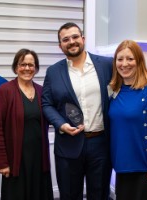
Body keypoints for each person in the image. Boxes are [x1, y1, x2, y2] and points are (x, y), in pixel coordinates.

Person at [42, 22, 113, 200]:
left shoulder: (107, 65)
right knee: (69, 195)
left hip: (101, 144)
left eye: (75, 37)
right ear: (60, 46)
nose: (71, 42)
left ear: (83, 39)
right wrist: (61, 124)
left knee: (99, 195)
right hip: (68, 145)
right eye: (65, 39)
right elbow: (46, 104)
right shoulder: (53, 72)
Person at [0, 48, 54, 200]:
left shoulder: (41, 91)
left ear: (36, 68)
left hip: (39, 159)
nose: (27, 68)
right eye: (23, 64)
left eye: (31, 65)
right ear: (16, 67)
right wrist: (2, 162)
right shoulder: (5, 91)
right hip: (15, 160)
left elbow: (52, 115)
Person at [108, 40, 147, 200]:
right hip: (121, 166)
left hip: (143, 168)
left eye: (130, 59)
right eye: (120, 59)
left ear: (139, 61)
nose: (124, 64)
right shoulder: (112, 90)